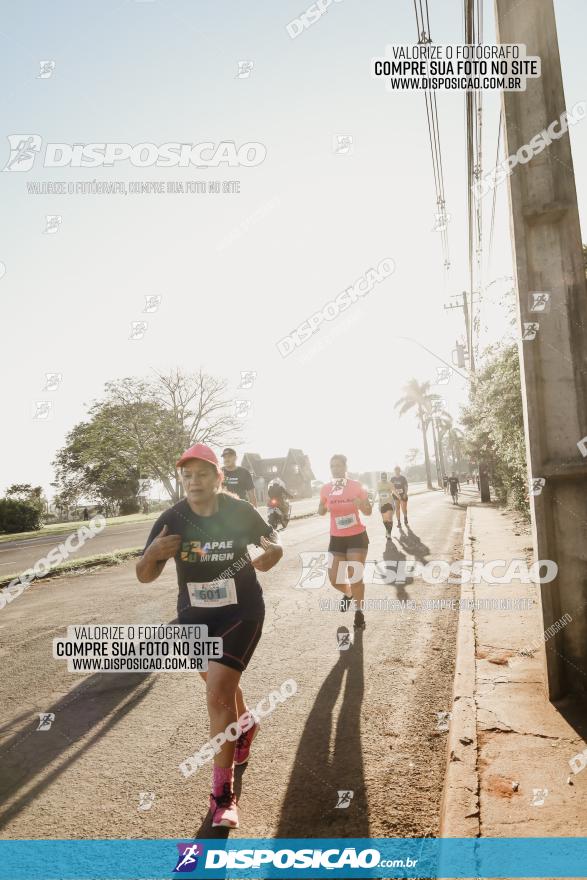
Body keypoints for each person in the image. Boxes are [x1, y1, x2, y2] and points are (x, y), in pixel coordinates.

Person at [136, 443, 282, 829]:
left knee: (218, 692)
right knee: (222, 690)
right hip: (195, 618)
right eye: (187, 475)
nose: (194, 481)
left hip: (242, 611)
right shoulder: (172, 518)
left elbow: (272, 543)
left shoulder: (239, 511)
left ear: (219, 478)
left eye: (202, 474)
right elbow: (144, 574)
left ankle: (222, 797)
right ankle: (245, 724)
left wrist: (275, 552)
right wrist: (151, 555)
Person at [319, 454, 372, 630]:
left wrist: (361, 504)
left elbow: (369, 511)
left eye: (339, 466)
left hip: (356, 536)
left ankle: (359, 612)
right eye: (332, 466)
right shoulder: (326, 489)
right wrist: (322, 507)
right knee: (334, 579)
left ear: (345, 467)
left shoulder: (356, 486)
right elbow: (322, 510)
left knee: (355, 576)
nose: (335, 469)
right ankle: (349, 594)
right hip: (336, 538)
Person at [376, 471, 396, 540]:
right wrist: (372, 504)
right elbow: (375, 493)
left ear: (386, 477)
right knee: (385, 520)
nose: (383, 478)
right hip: (382, 504)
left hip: (390, 503)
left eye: (385, 477)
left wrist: (400, 498)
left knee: (389, 518)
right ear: (381, 477)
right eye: (382, 477)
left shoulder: (390, 484)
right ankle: (387, 530)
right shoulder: (378, 484)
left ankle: (389, 533)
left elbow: (394, 491)